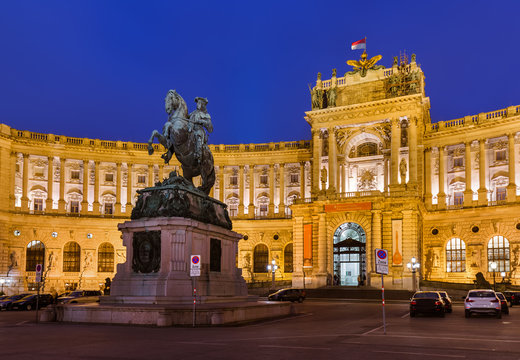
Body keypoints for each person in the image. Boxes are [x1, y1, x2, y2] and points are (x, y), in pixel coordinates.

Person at [188, 97, 213, 166]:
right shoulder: (193, 113)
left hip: (199, 130)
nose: (197, 105)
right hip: (190, 130)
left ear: (202, 105)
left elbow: (210, 128)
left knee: (198, 134)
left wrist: (201, 121)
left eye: (199, 103)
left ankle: (199, 154)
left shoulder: (206, 115)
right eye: (197, 103)